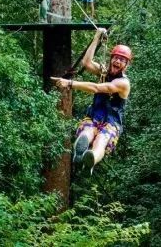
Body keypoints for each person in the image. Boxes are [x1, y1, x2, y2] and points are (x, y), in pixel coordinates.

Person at [51, 28, 132, 174]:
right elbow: (87, 62)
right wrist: (96, 37)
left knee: (102, 139)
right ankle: (80, 151)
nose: (118, 61)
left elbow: (96, 88)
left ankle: (91, 159)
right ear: (111, 58)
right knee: (87, 131)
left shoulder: (123, 83)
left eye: (122, 60)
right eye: (116, 58)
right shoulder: (103, 72)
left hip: (112, 123)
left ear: (126, 65)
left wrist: (70, 83)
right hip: (94, 116)